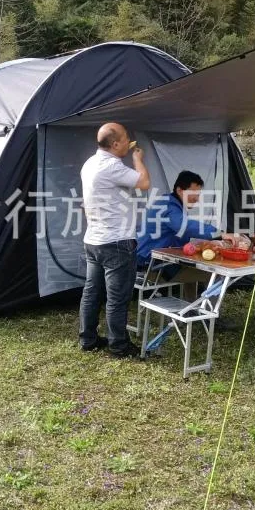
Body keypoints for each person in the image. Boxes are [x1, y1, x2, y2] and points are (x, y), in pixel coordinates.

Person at [79, 122, 149, 357]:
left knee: (91, 292)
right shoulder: (112, 166)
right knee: (117, 298)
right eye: (126, 138)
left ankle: (88, 339)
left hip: (94, 240)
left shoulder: (89, 164)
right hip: (116, 242)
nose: (129, 142)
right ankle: (119, 346)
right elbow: (144, 183)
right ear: (116, 143)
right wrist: (138, 158)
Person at [137, 170, 245, 300]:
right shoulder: (169, 207)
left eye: (198, 194)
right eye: (193, 193)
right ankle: (209, 316)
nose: (197, 198)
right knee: (215, 273)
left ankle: (191, 307)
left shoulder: (168, 202)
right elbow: (186, 227)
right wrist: (220, 234)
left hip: (152, 259)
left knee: (192, 267)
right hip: (153, 266)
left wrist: (204, 243)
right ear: (180, 190)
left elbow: (180, 234)